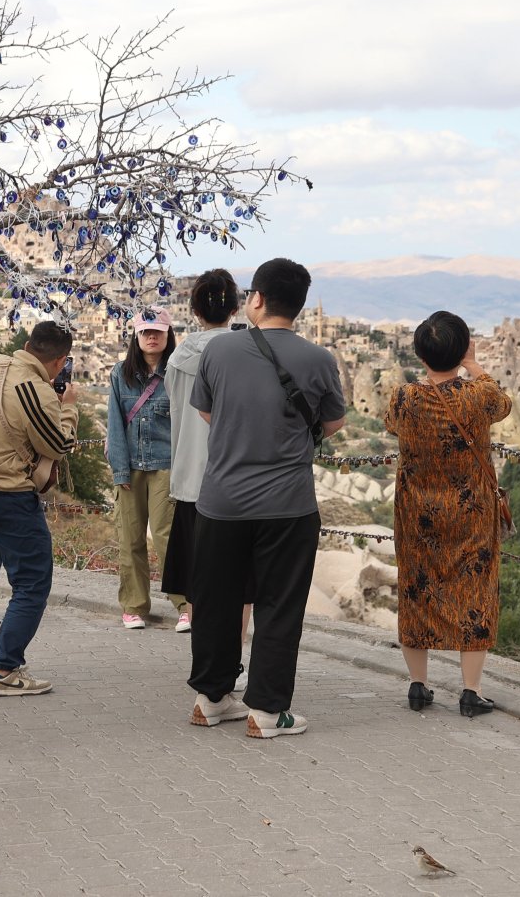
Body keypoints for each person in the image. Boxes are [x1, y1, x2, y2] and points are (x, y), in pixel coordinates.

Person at [187, 259, 345, 738]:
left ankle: (210, 699)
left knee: (215, 601)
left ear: (256, 298)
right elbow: (333, 425)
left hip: (221, 501)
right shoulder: (319, 359)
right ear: (298, 306)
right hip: (287, 505)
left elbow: (206, 412)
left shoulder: (219, 351)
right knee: (278, 604)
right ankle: (266, 710)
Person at [384, 311, 512, 718]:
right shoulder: (478, 397)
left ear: (421, 354)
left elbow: (391, 425)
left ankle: (418, 687)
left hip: (416, 512)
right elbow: (502, 403)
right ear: (461, 350)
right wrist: (473, 366)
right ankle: (471, 692)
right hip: (471, 512)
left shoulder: (404, 398)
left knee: (417, 589)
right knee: (474, 591)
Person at [0, 321, 78, 697]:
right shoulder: (33, 388)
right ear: (60, 362)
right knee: (33, 579)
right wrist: (67, 408)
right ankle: (6, 669)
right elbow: (57, 444)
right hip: (4, 494)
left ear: (26, 344)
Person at [164, 269, 252, 647]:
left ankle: (204, 654)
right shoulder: (247, 354)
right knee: (241, 578)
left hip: (189, 479)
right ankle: (235, 650)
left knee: (199, 578)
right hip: (234, 480)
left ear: (195, 309)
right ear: (234, 308)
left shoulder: (177, 358)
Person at [105, 307, 177, 630]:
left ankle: (185, 603)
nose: (151, 337)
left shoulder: (177, 373)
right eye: (146, 331)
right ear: (136, 335)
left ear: (167, 335)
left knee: (169, 538)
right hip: (131, 466)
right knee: (130, 539)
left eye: (157, 332)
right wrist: (120, 471)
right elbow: (114, 427)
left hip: (166, 466)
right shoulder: (120, 375)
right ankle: (134, 605)